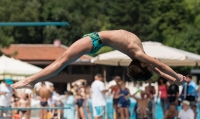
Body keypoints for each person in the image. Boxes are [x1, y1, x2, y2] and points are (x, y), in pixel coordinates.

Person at [12, 30, 186, 89]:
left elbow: (159, 66)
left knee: (62, 61)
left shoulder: (139, 54)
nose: (153, 63)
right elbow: (159, 68)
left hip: (95, 41)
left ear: (142, 64)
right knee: (62, 61)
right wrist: (176, 79)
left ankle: (31, 81)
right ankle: (32, 81)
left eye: (150, 66)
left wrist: (176, 77)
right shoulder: (140, 56)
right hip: (95, 41)